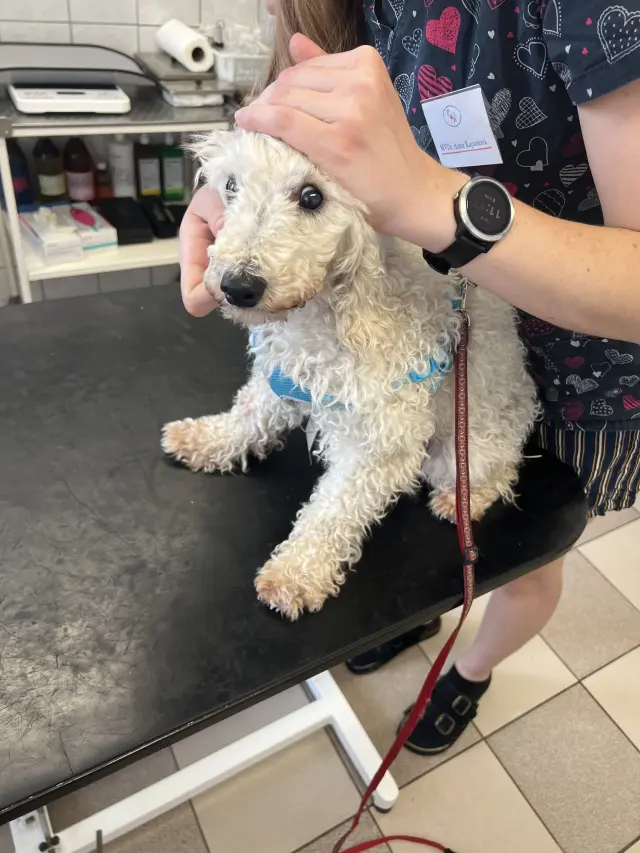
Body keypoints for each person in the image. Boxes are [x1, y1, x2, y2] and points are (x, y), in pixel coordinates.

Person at [180, 0, 640, 754]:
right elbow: (291, 138)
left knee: (512, 554)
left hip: (585, 358)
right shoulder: (336, 7)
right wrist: (228, 190)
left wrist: (437, 204)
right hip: (420, 304)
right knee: (413, 548)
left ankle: (468, 671)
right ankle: (413, 617)